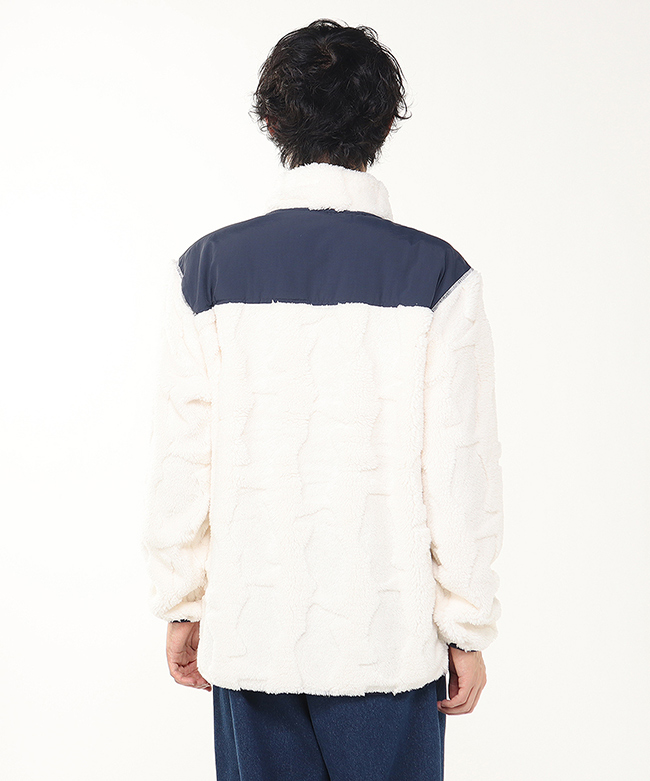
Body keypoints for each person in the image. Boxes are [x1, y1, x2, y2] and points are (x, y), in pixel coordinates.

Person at [142, 18, 504, 781]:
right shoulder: (439, 275)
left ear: (272, 120)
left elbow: (184, 454)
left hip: (253, 628)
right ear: (383, 123)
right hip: (388, 639)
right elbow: (461, 468)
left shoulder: (207, 269)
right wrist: (466, 624)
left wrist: (183, 601)